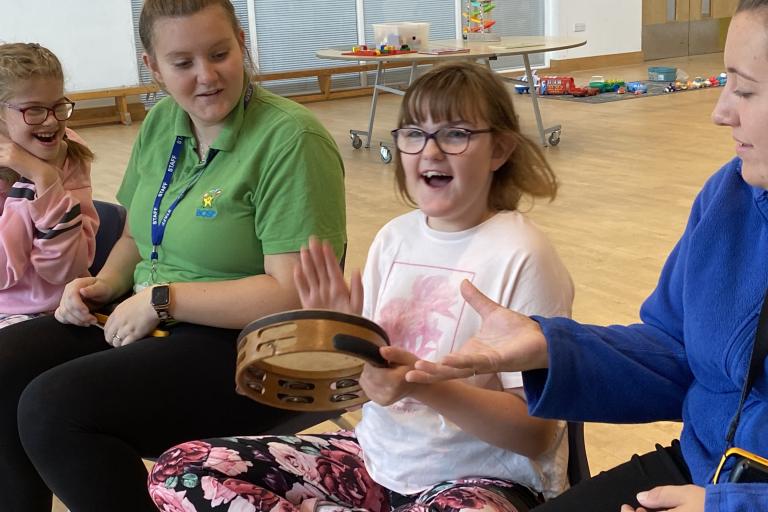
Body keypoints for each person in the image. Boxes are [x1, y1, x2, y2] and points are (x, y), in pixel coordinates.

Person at [147, 61, 574, 512]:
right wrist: (337, 339)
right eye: (413, 134)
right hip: (374, 462)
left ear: (500, 150)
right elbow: (370, 383)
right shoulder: (396, 237)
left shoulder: (524, 254)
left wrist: (419, 385)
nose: (429, 152)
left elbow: (535, 430)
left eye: (455, 134)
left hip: (479, 479)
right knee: (184, 469)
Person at [405, 2, 768, 511]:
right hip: (705, 465)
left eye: (746, 89)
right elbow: (678, 352)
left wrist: (734, 505)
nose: (720, 111)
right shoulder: (727, 195)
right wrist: (550, 347)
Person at [0, 1, 346, 511]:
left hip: (254, 345)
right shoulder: (163, 121)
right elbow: (137, 237)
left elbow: (293, 293)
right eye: (182, 63)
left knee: (55, 408)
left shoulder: (291, 139)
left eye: (220, 53)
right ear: (153, 68)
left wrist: (165, 299)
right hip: (156, 319)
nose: (206, 76)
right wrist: (103, 284)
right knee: (5, 371)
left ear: (242, 46)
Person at [0, 42, 97, 329]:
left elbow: (65, 270)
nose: (52, 121)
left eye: (58, 106)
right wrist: (26, 192)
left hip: (58, 309)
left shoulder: (71, 154)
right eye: (34, 110)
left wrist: (44, 179)